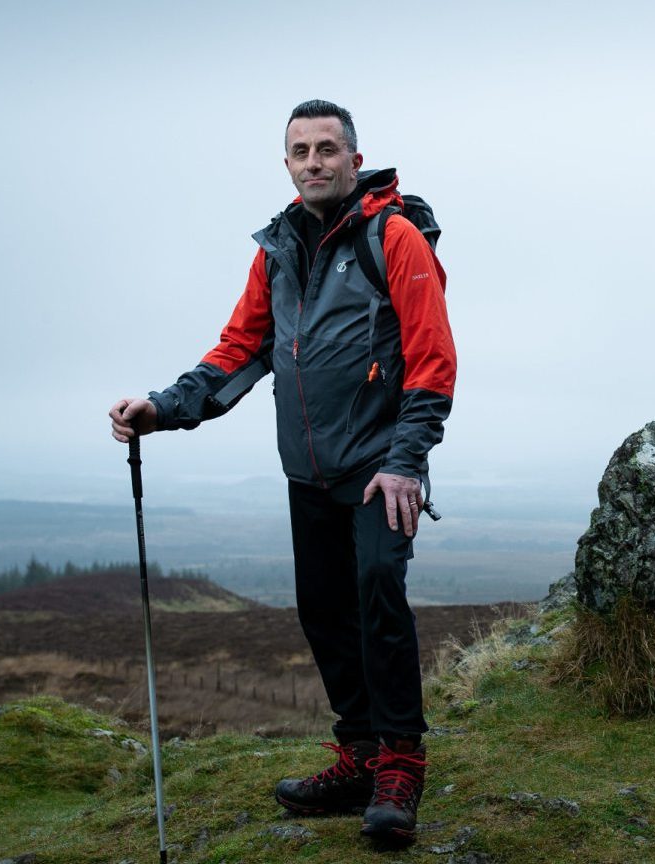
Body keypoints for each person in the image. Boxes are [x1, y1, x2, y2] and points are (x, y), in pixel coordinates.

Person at [108, 99, 455, 849]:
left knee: (377, 597)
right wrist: (161, 408)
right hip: (309, 475)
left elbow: (432, 361)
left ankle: (399, 766)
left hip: (378, 471)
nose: (314, 162)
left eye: (328, 149)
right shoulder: (278, 252)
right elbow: (240, 348)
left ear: (356, 160)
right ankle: (360, 754)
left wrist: (405, 464)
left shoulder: (392, 238)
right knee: (323, 610)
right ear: (288, 164)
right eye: (300, 151)